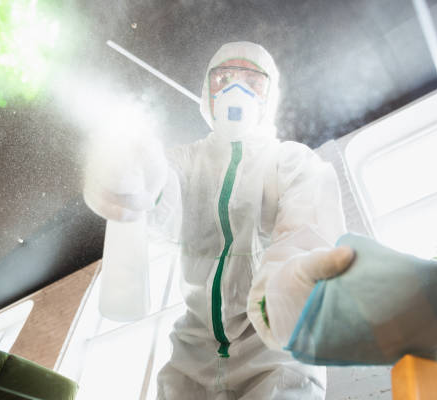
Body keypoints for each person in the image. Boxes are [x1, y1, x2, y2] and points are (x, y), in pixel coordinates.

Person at [92, 41, 354, 399]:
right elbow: (162, 199)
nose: (236, 89)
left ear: (269, 96)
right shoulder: (186, 161)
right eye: (224, 78)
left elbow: (309, 236)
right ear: (207, 92)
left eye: (252, 81)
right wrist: (132, 177)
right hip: (191, 354)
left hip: (275, 347)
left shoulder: (292, 162)